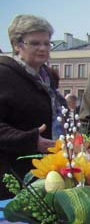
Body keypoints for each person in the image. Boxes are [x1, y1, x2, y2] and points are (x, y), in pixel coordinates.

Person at [0, 15, 58, 199]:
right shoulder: (4, 75)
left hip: (42, 176)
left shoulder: (46, 77)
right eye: (35, 43)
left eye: (47, 43)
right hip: (11, 178)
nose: (43, 48)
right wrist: (30, 140)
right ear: (17, 45)